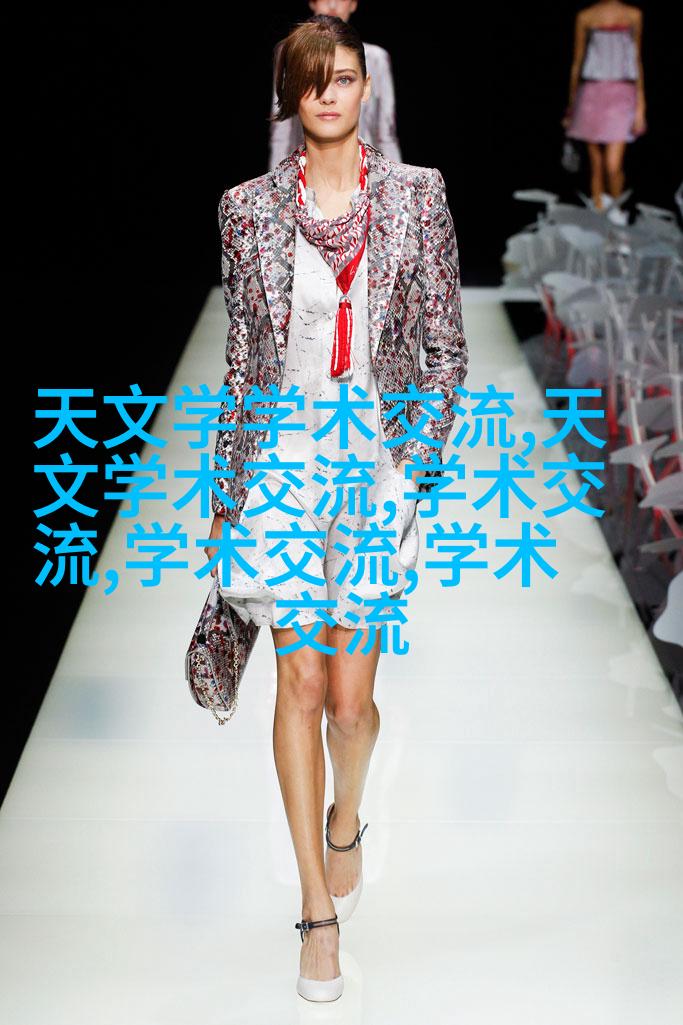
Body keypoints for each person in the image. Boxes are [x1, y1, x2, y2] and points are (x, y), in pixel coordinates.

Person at [205, 13, 468, 1003]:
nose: (327, 92)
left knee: (352, 706)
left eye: (343, 76)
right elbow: (241, 362)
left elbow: (444, 347)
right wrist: (225, 492)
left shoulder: (417, 195)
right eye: (311, 78)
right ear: (292, 93)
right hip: (280, 459)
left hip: (372, 461)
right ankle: (315, 911)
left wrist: (416, 466)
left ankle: (346, 816)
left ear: (366, 89)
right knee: (301, 683)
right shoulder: (245, 209)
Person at [267, 0, 402, 169]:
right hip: (302, 168)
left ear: (353, 4)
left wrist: (395, 180)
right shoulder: (290, 52)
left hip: (367, 170)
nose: (332, 5)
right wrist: (277, 178)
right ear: (312, 3)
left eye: (344, 80)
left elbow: (386, 132)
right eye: (310, 80)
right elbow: (281, 128)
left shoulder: (376, 58)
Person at [562, 1, 647, 211]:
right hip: (591, 92)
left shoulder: (633, 14)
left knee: (613, 166)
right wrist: (571, 106)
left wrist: (641, 106)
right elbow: (577, 61)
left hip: (622, 92)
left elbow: (637, 58)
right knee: (596, 166)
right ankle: (600, 218)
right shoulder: (585, 16)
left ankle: (616, 216)